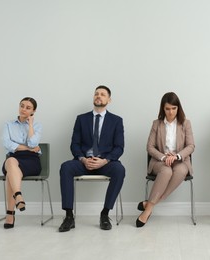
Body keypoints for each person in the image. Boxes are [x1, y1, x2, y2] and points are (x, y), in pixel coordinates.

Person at [58, 85, 125, 232]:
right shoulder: (81, 119)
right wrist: (82, 159)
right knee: (66, 167)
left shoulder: (116, 121)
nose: (98, 96)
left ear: (109, 99)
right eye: (96, 94)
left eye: (102, 94)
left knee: (119, 170)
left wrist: (105, 160)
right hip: (84, 162)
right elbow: (74, 144)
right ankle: (69, 216)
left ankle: (105, 214)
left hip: (105, 162)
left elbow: (119, 147)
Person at [136, 92, 195, 228]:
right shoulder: (156, 124)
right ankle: (149, 209)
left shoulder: (186, 123)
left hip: (179, 160)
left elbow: (191, 146)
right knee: (166, 171)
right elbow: (150, 147)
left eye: (174, 108)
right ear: (163, 108)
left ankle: (149, 205)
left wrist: (177, 156)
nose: (171, 112)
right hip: (160, 161)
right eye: (167, 109)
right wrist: (163, 157)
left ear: (178, 108)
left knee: (180, 171)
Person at [1, 97, 42, 229]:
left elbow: (33, 143)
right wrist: (28, 148)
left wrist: (30, 125)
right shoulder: (9, 125)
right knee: (11, 162)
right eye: (22, 106)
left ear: (33, 111)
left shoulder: (36, 126)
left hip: (32, 160)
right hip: (13, 158)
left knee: (10, 174)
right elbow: (7, 144)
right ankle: (18, 196)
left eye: (28, 108)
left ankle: (10, 214)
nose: (23, 109)